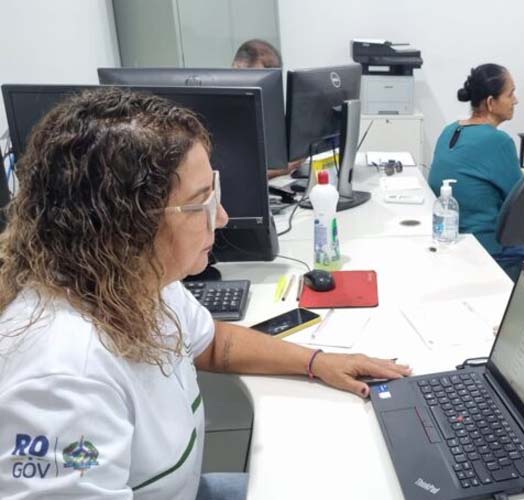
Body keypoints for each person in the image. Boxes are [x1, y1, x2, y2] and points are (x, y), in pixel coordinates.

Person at [0, 88, 410, 499]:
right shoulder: (63, 378)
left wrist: (318, 362)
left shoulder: (135, 281)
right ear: (127, 224)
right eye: (201, 203)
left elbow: (213, 341)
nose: (223, 216)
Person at [428, 64, 524, 277]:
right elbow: (521, 204)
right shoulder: (498, 141)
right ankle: (516, 284)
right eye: (510, 94)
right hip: (487, 243)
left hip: (448, 232)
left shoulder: (450, 129)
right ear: (491, 102)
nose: (516, 100)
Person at [231, 39, 300, 178]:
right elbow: (230, 176)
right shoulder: (218, 112)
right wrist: (281, 169)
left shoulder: (267, 111)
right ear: (238, 67)